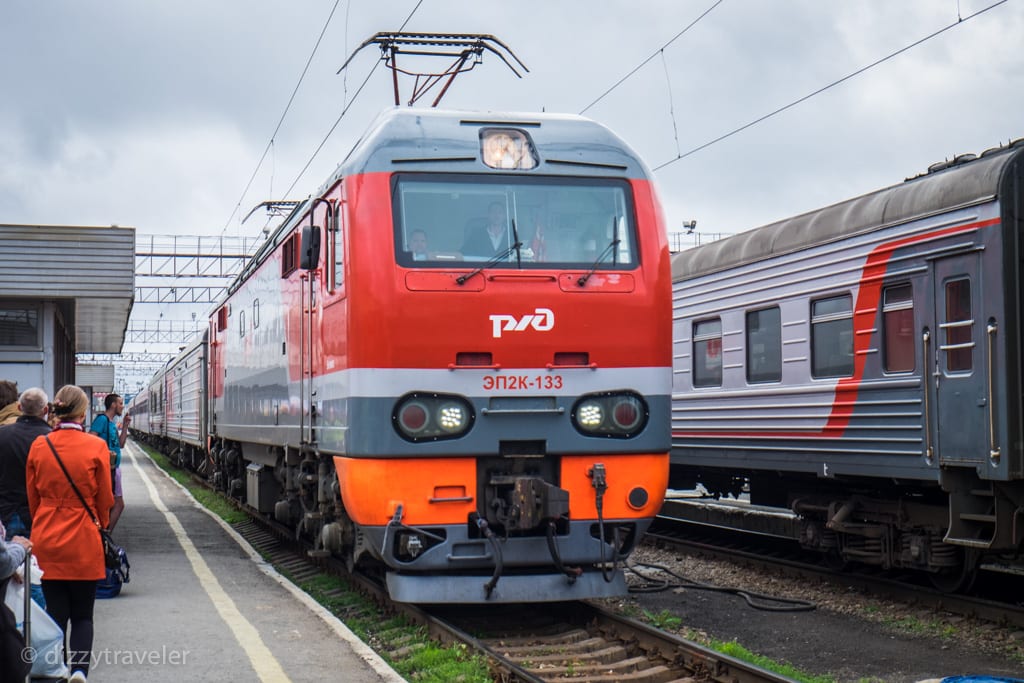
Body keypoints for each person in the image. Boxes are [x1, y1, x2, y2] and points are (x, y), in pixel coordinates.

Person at [26, 384, 114, 683]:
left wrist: (43, 521)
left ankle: (57, 670)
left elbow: (32, 497)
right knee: (83, 614)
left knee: (55, 612)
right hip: (84, 538)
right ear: (83, 411)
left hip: (47, 536)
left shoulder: (40, 445)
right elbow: (105, 499)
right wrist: (99, 524)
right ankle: (79, 671)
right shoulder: (96, 446)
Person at [0, 387, 51, 538]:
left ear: (19, 407)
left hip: (6, 511)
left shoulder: (3, 434)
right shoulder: (52, 440)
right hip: (40, 514)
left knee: (7, 559)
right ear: (46, 410)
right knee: (38, 560)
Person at [90, 393, 129, 532]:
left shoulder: (112, 424)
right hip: (106, 468)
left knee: (114, 503)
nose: (122, 406)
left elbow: (121, 444)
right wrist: (104, 453)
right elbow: (91, 438)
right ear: (113, 404)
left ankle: (105, 533)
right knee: (117, 504)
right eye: (120, 403)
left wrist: (125, 426)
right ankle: (105, 533)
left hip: (114, 468)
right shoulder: (102, 420)